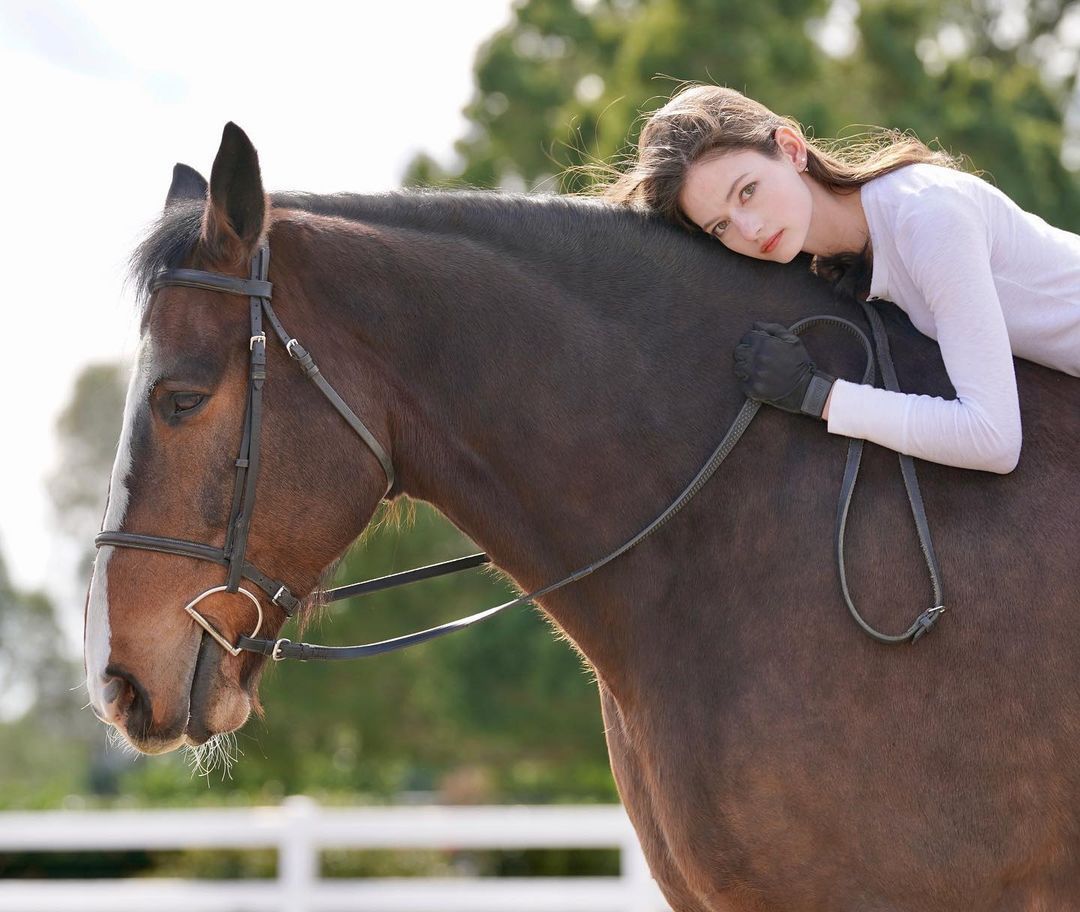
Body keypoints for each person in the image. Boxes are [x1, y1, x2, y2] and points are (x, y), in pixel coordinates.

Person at [604, 85, 1080, 473]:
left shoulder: (925, 216)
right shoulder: (849, 258)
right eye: (721, 226)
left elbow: (993, 440)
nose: (749, 230)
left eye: (747, 191)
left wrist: (819, 395)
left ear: (790, 149)